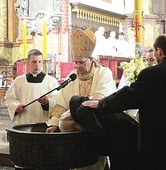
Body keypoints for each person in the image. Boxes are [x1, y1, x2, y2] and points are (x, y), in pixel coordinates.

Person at [70, 34, 166, 170]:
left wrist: (100, 103)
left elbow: (129, 96)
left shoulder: (152, 73)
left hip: (157, 139)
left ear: (159, 51)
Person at [46, 28, 117, 170]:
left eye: (82, 62)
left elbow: (100, 99)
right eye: (75, 62)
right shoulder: (72, 76)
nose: (78, 66)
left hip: (94, 130)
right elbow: (62, 102)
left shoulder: (103, 73)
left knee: (95, 163)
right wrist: (54, 123)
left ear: (91, 59)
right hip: (75, 137)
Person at [5, 49, 59, 125]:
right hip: (24, 121)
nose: (37, 65)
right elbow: (9, 98)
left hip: (44, 122)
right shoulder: (19, 81)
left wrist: (46, 102)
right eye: (34, 62)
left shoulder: (51, 81)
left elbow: (58, 100)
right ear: (28, 63)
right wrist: (16, 106)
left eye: (39, 62)